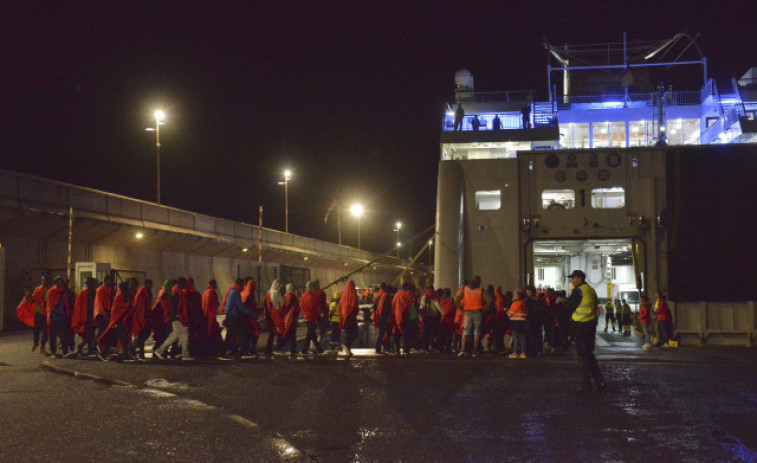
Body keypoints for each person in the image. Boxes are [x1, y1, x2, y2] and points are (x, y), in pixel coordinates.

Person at [566, 270, 605, 392]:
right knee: (588, 354)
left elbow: (567, 306)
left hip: (581, 326)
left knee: (582, 355)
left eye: (573, 278)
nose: (571, 280)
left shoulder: (579, 291)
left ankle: (585, 384)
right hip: (590, 325)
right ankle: (599, 381)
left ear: (579, 279)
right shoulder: (590, 289)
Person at [454, 276, 492, 358]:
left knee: (465, 332)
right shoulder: (480, 291)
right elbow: (489, 300)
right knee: (476, 332)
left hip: (467, 312)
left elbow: (456, 299)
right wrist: (484, 309)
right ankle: (475, 351)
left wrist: (461, 308)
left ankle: (462, 350)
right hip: (478, 313)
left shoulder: (465, 290)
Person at [154, 277, 192, 361]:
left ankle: (161, 351)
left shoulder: (176, 293)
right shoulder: (177, 294)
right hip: (177, 318)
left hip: (176, 318)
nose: (186, 285)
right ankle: (184, 354)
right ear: (180, 284)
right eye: (185, 283)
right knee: (183, 335)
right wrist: (178, 316)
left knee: (177, 336)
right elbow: (174, 307)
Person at [97, 281, 133, 360]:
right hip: (106, 316)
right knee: (107, 333)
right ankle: (100, 347)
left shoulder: (114, 292)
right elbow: (99, 306)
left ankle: (123, 351)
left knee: (117, 336)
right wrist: (104, 315)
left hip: (114, 317)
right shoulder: (101, 291)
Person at [223, 278, 258, 358]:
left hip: (231, 316)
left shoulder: (232, 291)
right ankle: (242, 352)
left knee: (235, 334)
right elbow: (240, 306)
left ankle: (238, 351)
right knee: (236, 334)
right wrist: (251, 313)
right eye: (242, 285)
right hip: (234, 317)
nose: (243, 286)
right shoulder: (235, 293)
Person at [70, 277, 97, 355]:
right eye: (87, 283)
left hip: (92, 317)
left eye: (89, 283)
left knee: (90, 334)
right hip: (85, 317)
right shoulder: (82, 293)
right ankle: (88, 349)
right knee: (88, 334)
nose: (88, 285)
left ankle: (84, 347)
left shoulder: (95, 292)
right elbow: (78, 307)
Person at [301, 280, 325, 357]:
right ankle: (304, 350)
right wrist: (320, 315)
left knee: (312, 334)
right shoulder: (315, 297)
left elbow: (301, 306)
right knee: (310, 335)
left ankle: (319, 349)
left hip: (307, 317)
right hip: (313, 318)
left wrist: (305, 314)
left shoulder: (303, 296)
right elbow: (317, 308)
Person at [131, 279, 153, 360]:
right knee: (142, 337)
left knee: (142, 337)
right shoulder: (141, 293)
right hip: (141, 318)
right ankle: (138, 353)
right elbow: (140, 307)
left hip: (144, 318)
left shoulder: (145, 293)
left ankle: (134, 350)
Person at [392, 282, 417, 355]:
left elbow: (393, 305)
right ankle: (406, 349)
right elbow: (409, 306)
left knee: (397, 333)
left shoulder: (396, 294)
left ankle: (397, 349)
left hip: (397, 316)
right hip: (405, 317)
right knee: (406, 334)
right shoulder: (408, 295)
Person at [94, 275, 115, 351]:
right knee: (102, 330)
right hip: (102, 313)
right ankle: (98, 344)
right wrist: (104, 314)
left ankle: (104, 346)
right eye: (110, 280)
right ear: (106, 281)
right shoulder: (100, 290)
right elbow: (99, 304)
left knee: (106, 331)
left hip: (107, 312)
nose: (112, 282)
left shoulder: (109, 290)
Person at [338, 280, 359, 357]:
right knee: (355, 333)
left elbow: (340, 308)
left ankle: (348, 350)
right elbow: (354, 307)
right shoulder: (353, 294)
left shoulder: (343, 296)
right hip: (351, 318)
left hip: (345, 319)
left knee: (348, 334)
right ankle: (346, 344)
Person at [31, 275, 51, 355]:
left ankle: (42, 347)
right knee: (36, 330)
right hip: (38, 313)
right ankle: (35, 342)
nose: (43, 281)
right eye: (42, 280)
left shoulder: (50, 290)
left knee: (46, 331)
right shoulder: (38, 289)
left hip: (46, 314)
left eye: (45, 280)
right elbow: (33, 298)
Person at [419, 285, 442, 352]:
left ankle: (424, 347)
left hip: (426, 316)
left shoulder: (424, 296)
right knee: (432, 332)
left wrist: (420, 312)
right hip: (434, 317)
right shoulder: (436, 296)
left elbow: (422, 306)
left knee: (425, 332)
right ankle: (431, 346)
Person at [281, 283, 300, 358]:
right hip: (292, 319)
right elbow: (297, 309)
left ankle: (290, 348)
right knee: (292, 334)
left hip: (287, 318)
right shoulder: (293, 297)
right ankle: (292, 349)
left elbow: (283, 307)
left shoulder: (285, 297)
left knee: (289, 334)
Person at [507, 290, 528, 358]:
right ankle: (523, 353)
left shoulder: (515, 304)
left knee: (515, 338)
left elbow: (511, 313)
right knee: (522, 338)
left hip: (515, 322)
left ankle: (515, 353)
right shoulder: (524, 303)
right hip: (523, 322)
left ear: (517, 296)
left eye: (514, 295)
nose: (513, 297)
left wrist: (507, 312)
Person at [525, 285, 544, 356]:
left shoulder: (528, 300)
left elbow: (526, 310)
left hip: (530, 320)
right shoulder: (538, 299)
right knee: (538, 335)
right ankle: (539, 350)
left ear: (529, 291)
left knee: (531, 336)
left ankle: (532, 351)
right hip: (538, 320)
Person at [439, 288, 456, 352]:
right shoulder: (453, 301)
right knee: (450, 335)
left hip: (443, 321)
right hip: (451, 321)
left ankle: (443, 346)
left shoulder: (442, 302)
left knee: (443, 335)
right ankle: (448, 346)